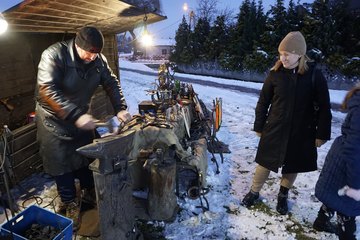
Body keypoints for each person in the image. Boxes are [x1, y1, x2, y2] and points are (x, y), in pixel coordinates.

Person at [35, 26, 132, 229]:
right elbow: (47, 90)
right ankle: (69, 202)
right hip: (54, 120)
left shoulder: (98, 60)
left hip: (80, 117)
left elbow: (111, 83)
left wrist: (120, 108)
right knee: (61, 165)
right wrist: (75, 115)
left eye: (95, 53)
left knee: (85, 158)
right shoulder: (54, 55)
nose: (91, 57)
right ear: (77, 45)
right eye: (88, 52)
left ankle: (89, 193)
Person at [241, 31, 332, 215]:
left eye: (287, 54)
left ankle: (283, 195)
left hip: (301, 131)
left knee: (293, 164)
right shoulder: (274, 74)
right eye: (281, 54)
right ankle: (254, 191)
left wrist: (321, 134)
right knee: (264, 162)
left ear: (299, 54)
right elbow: (263, 102)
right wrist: (259, 126)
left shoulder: (314, 76)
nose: (283, 58)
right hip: (274, 128)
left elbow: (324, 107)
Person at [313, 83, 360, 239]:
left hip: (344, 158)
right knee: (347, 209)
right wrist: (355, 186)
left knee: (334, 194)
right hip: (350, 163)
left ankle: (321, 221)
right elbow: (354, 147)